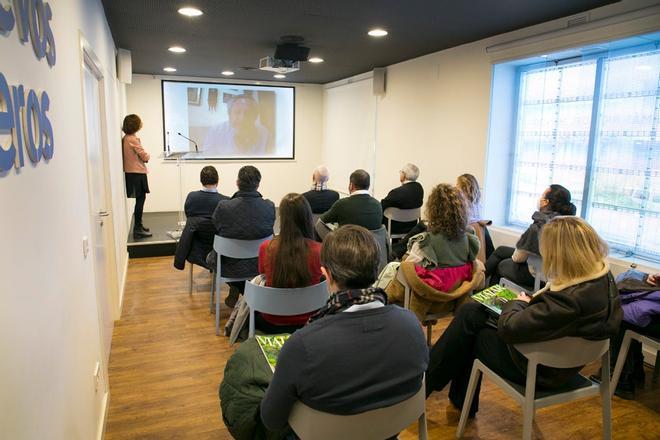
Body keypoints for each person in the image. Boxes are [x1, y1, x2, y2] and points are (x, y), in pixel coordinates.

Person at [426, 216, 622, 416]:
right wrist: (530, 305)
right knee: (472, 314)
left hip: (542, 370)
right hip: (564, 362)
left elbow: (510, 329)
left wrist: (519, 302)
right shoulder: (602, 280)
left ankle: (426, 385)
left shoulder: (569, 301)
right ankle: (449, 395)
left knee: (470, 325)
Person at [260, 225, 429, 431]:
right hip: (389, 431)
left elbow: (271, 420)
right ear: (377, 270)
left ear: (327, 275)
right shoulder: (412, 325)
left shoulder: (302, 345)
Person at [485, 184, 576, 288]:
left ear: (546, 202)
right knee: (501, 250)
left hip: (539, 276)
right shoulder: (567, 224)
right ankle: (480, 281)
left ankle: (485, 296)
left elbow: (517, 258)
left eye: (542, 196)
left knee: (501, 265)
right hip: (556, 274)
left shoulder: (539, 225)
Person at [256, 193, 323, 333]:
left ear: (282, 219)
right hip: (310, 321)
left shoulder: (266, 248)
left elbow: (262, 274)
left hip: (271, 319)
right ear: (307, 218)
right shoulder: (320, 251)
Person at [212, 166, 275, 307]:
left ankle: (236, 288)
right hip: (259, 265)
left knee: (213, 256)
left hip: (228, 266)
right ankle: (245, 292)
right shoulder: (269, 207)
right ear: (258, 185)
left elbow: (216, 226)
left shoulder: (224, 207)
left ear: (237, 183)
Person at [403, 184, 479, 292]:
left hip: (433, 296)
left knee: (395, 268)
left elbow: (409, 271)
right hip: (459, 293)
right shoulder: (469, 238)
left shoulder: (425, 242)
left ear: (433, 210)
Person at [316, 169, 382, 240]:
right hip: (371, 249)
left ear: (351, 185)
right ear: (368, 186)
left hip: (346, 249)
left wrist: (333, 238)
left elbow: (320, 223)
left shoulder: (342, 204)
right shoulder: (378, 205)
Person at [202, 95, 269, 157]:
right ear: (229, 114)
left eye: (248, 113)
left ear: (255, 116)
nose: (242, 118)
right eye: (237, 112)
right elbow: (208, 156)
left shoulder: (264, 132)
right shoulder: (215, 131)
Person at [122, 114, 152, 239]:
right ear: (135, 125)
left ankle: (139, 225)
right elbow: (144, 156)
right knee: (140, 200)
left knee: (140, 200)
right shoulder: (132, 139)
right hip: (137, 173)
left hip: (133, 173)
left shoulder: (126, 138)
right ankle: (137, 229)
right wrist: (148, 156)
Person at [381, 163, 424, 235]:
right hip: (412, 226)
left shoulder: (396, 192)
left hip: (394, 227)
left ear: (404, 175)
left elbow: (381, 206)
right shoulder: (419, 189)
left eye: (401, 172)